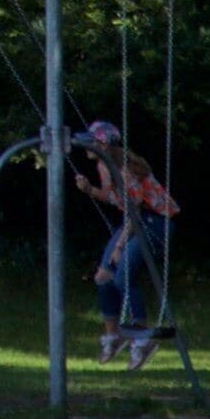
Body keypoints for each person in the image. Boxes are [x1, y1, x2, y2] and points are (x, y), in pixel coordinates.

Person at [74, 119, 180, 367]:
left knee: (122, 277)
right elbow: (113, 198)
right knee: (103, 277)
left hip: (155, 223)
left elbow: (135, 210)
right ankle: (114, 336)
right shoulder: (103, 165)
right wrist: (90, 190)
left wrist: (120, 247)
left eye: (90, 142)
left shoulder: (124, 170)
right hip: (136, 221)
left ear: (103, 144)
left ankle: (142, 341)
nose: (85, 146)